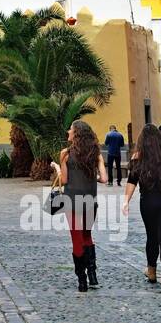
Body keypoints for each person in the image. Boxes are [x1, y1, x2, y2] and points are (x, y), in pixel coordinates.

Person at [50, 119, 108, 293]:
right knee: (87, 236)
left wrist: (56, 168)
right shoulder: (95, 153)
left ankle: (82, 281)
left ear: (76, 134)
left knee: (77, 239)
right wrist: (93, 178)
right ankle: (92, 275)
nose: (68, 131)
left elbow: (65, 180)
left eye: (71, 130)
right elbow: (104, 179)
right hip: (90, 201)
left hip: (72, 202)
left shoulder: (65, 154)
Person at [122, 123, 161, 292]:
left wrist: (126, 201)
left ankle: (152, 271)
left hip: (148, 202)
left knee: (151, 237)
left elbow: (132, 181)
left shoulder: (137, 157)